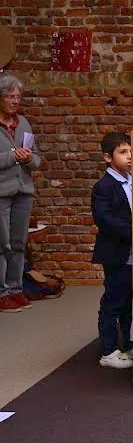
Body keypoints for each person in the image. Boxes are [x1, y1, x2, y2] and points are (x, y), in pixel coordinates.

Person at [91, 132, 133, 369]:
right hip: (117, 253)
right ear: (108, 157)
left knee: (130, 302)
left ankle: (127, 344)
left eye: (131, 151)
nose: (129, 156)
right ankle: (108, 351)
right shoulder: (103, 187)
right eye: (123, 152)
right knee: (113, 301)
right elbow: (105, 219)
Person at [0, 74, 40, 313]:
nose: (15, 101)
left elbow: (36, 159)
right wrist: (11, 156)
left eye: (18, 96)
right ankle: (2, 293)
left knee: (18, 243)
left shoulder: (23, 123)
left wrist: (28, 159)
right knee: (1, 243)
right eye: (10, 96)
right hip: (1, 193)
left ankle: (15, 289)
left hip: (23, 191)